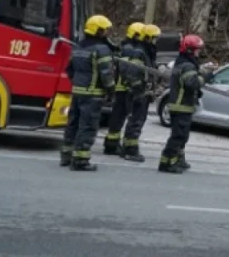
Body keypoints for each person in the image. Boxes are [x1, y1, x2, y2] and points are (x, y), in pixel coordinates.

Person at [60, 15, 116, 171]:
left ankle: (66, 155)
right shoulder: (101, 49)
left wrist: (78, 83)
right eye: (105, 30)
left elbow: (69, 69)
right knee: (88, 126)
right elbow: (106, 74)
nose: (107, 33)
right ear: (98, 31)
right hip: (92, 95)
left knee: (73, 124)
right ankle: (80, 160)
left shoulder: (78, 47)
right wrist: (111, 90)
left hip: (77, 92)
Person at [159, 34, 216, 174]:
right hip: (181, 106)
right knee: (178, 136)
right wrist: (206, 78)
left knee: (182, 136)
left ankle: (177, 159)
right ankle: (167, 162)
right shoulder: (187, 65)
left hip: (182, 105)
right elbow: (192, 83)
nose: (199, 52)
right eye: (197, 49)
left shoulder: (183, 62)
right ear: (190, 50)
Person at [103, 22, 145, 155]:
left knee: (119, 116)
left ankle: (112, 142)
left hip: (121, 86)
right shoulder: (129, 48)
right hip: (123, 87)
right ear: (135, 34)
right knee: (119, 116)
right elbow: (125, 69)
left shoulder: (126, 46)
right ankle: (111, 144)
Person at [120, 24, 160, 163]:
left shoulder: (146, 51)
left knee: (136, 120)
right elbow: (132, 73)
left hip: (143, 92)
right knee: (136, 121)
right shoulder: (140, 52)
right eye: (154, 38)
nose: (156, 41)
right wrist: (139, 91)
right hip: (139, 93)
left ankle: (127, 147)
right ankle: (130, 150)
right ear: (148, 38)